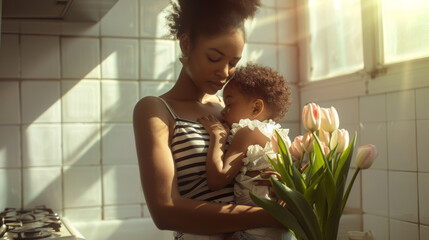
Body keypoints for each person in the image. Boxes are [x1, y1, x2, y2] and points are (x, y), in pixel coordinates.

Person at [133, 0, 285, 239]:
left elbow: (245, 171)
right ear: (186, 45)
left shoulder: (227, 108)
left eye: (233, 63)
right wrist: (268, 215)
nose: (224, 73)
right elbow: (165, 212)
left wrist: (276, 178)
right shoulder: (156, 110)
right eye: (214, 58)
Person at [197, 63, 292, 240]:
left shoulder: (247, 132)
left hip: (256, 231)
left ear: (256, 108)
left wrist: (218, 137)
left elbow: (217, 179)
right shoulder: (281, 136)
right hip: (280, 231)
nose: (223, 112)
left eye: (229, 104)